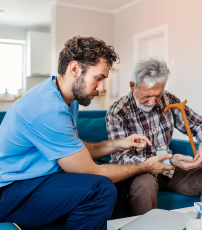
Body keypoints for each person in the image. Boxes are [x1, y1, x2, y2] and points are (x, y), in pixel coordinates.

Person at [0, 37, 175, 230]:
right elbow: (91, 171)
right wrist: (144, 166)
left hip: (38, 180)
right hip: (11, 191)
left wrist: (119, 143)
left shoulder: (68, 98)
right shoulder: (48, 108)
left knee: (121, 182)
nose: (101, 88)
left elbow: (76, 149)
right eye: (98, 78)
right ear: (74, 69)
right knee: (101, 189)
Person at [106, 57, 202, 216]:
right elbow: (121, 159)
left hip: (169, 170)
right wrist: (168, 160)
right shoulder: (117, 112)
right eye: (146, 96)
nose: (152, 102)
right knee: (144, 186)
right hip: (140, 172)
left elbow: (197, 123)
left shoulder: (168, 99)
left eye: (157, 95)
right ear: (132, 86)